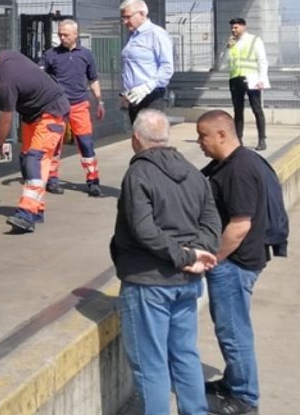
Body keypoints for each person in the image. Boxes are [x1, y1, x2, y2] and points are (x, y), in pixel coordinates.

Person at [111, 109, 221, 415]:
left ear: (136, 139)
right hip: (186, 282)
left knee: (151, 366)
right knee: (185, 356)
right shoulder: (193, 173)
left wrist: (186, 256)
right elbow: (212, 221)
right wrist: (197, 253)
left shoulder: (138, 174)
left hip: (148, 282)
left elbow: (144, 230)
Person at [195, 109, 270, 415]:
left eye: (203, 136)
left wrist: (213, 258)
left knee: (233, 331)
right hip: (237, 262)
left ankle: (244, 398)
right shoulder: (232, 163)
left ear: (222, 134)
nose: (200, 142)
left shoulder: (239, 170)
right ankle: (233, 382)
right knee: (231, 328)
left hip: (235, 264)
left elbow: (239, 226)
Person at [0, 41, 69, 233]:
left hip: (50, 113)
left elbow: (5, 120)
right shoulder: (8, 55)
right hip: (35, 114)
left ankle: (26, 214)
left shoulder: (5, 84)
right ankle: (36, 210)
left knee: (35, 160)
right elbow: (22, 75)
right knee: (26, 160)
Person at [38, 18, 106, 197]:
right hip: (56, 107)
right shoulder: (50, 55)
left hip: (79, 105)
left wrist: (100, 102)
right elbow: (39, 77)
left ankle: (93, 181)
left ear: (76, 34)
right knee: (54, 144)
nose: (62, 37)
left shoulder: (86, 55)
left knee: (86, 143)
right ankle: (52, 180)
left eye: (66, 35)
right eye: (60, 34)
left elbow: (93, 80)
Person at [119, 0, 174, 124]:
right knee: (138, 135)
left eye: (128, 17)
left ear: (142, 14)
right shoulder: (132, 36)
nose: (125, 22)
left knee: (150, 135)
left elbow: (166, 68)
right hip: (134, 98)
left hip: (151, 98)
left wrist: (145, 88)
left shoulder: (156, 34)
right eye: (123, 18)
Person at [222, 18, 269, 151]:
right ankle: (238, 140)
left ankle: (262, 139)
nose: (233, 30)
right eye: (232, 28)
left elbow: (262, 60)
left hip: (252, 78)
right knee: (238, 110)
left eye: (235, 27)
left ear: (243, 27)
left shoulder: (254, 40)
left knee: (257, 108)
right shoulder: (231, 43)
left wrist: (262, 79)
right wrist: (228, 48)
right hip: (235, 78)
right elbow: (225, 62)